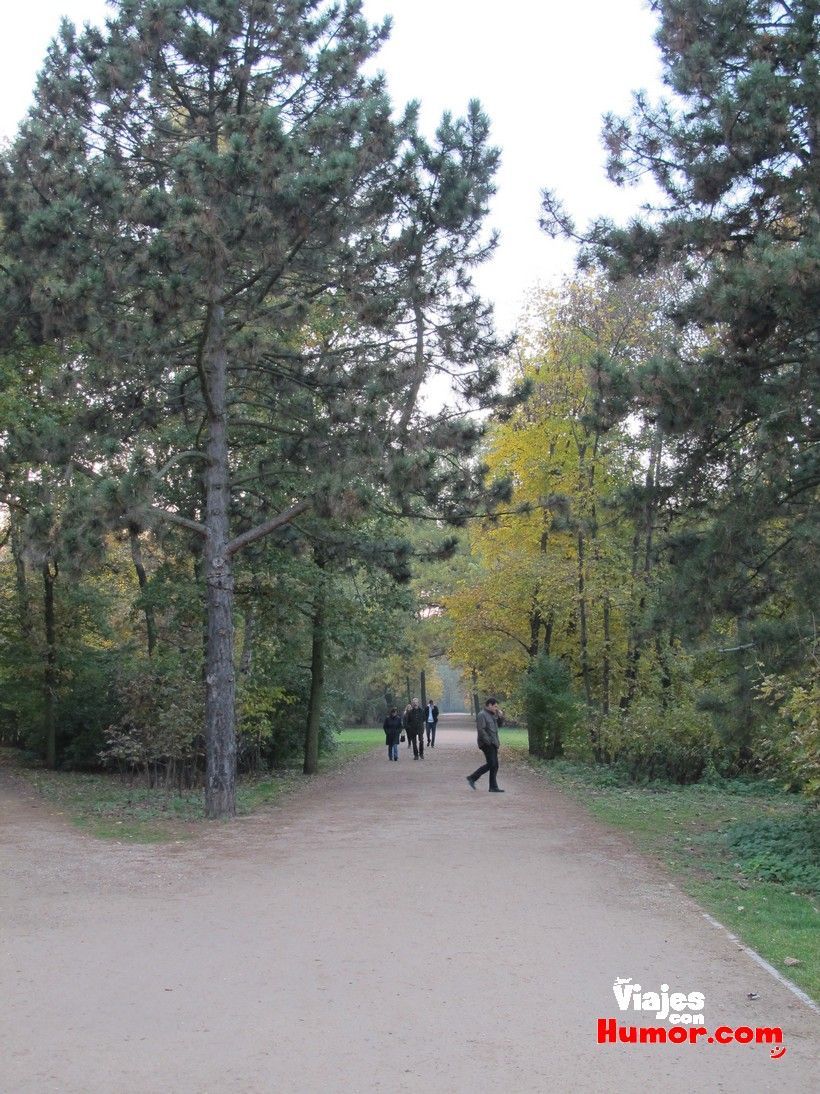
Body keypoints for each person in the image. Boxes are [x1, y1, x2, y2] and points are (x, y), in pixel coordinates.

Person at [466, 697, 505, 792]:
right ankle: (472, 777)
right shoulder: (482, 715)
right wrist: (488, 741)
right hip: (486, 743)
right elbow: (481, 730)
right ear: (489, 705)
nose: (496, 708)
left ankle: (493, 787)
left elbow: (499, 726)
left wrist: (500, 717)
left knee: (494, 765)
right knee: (492, 763)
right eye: (495, 706)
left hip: (494, 742)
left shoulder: (493, 715)